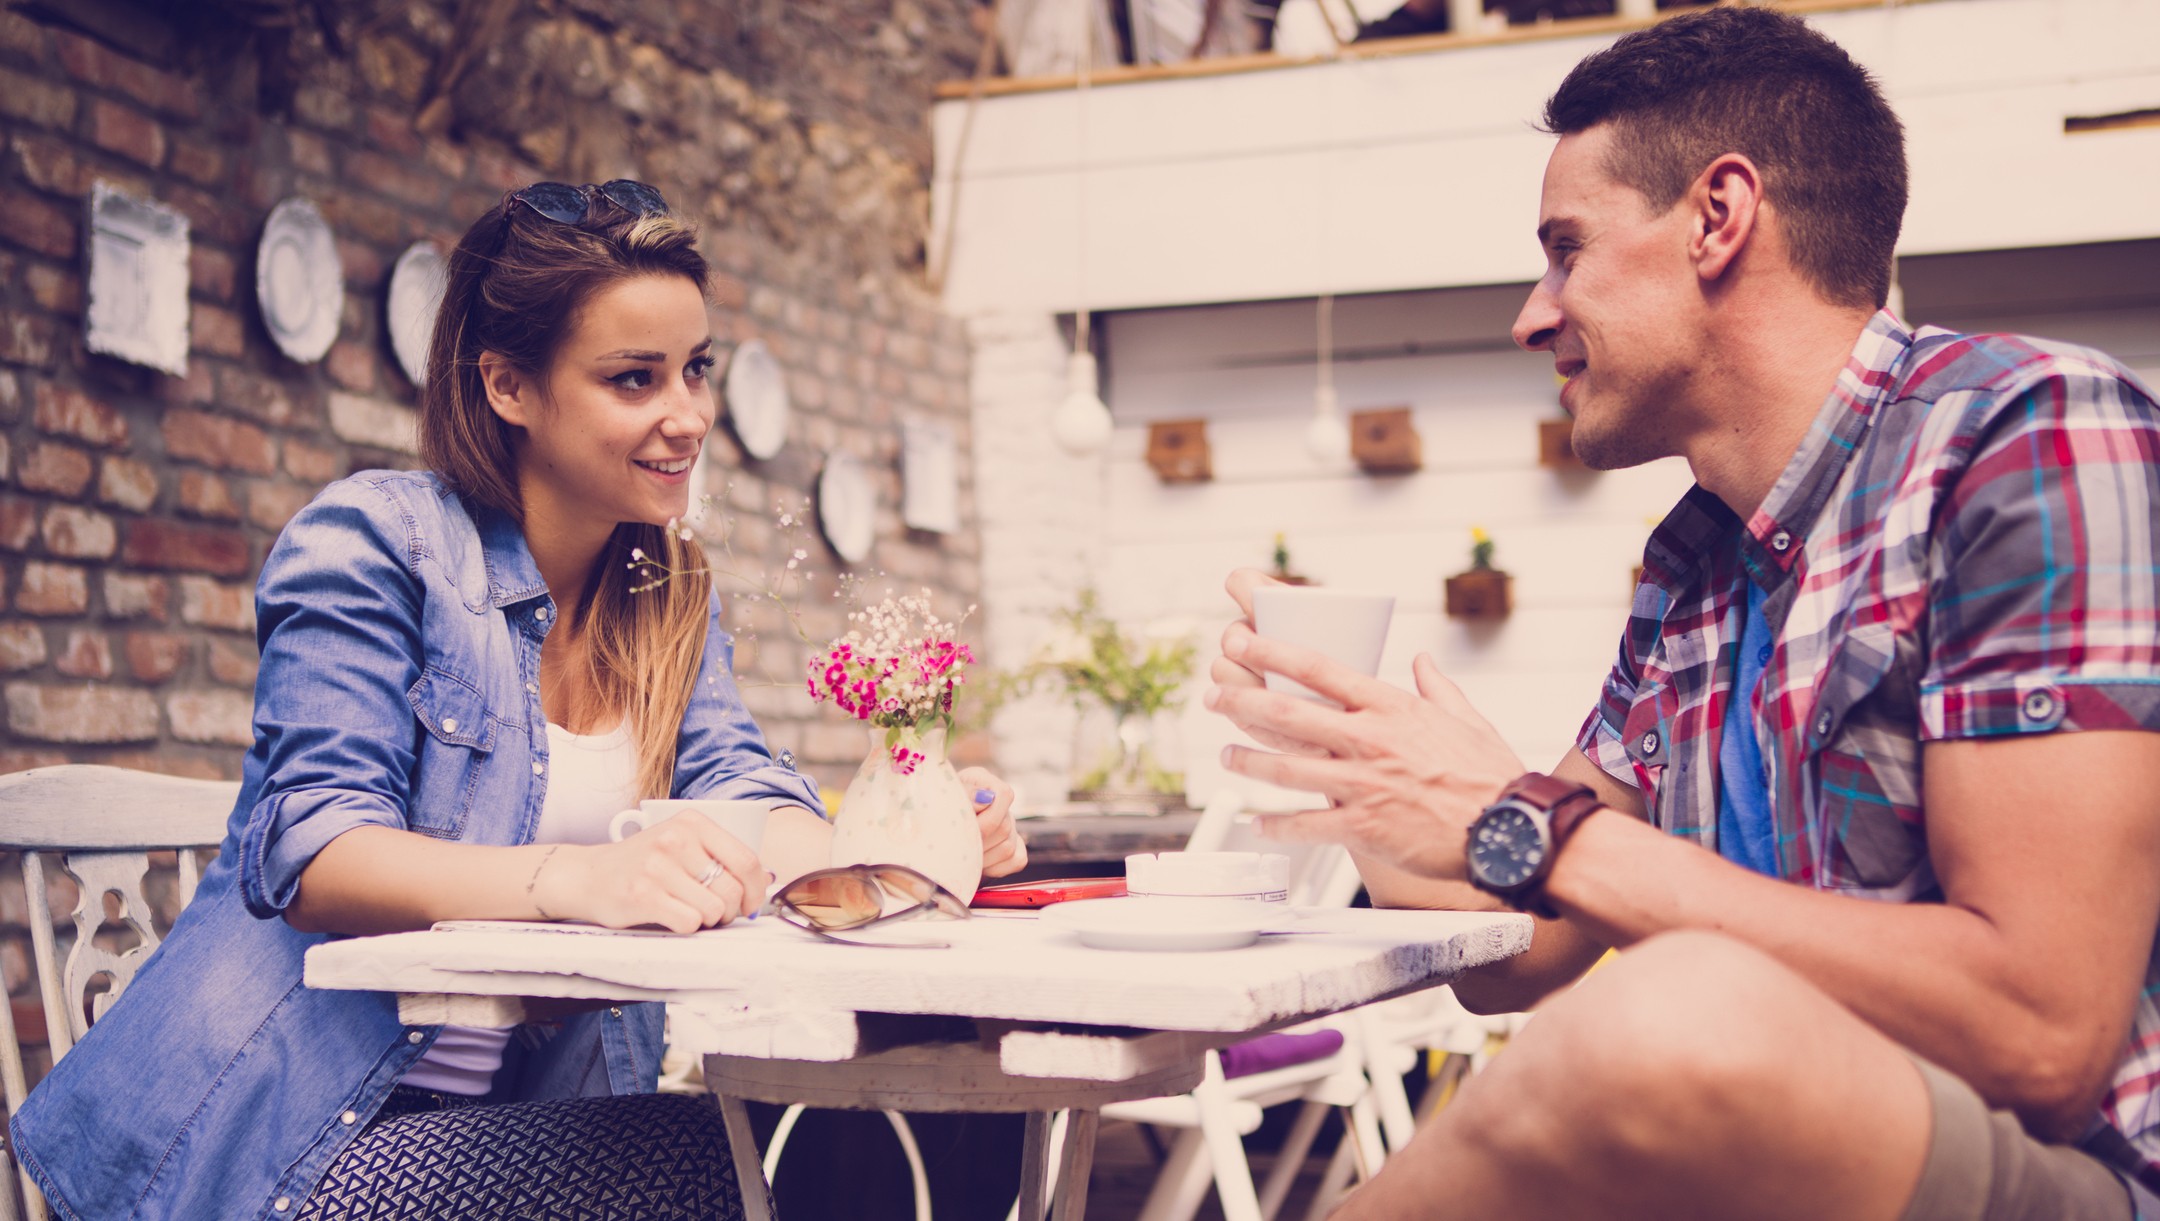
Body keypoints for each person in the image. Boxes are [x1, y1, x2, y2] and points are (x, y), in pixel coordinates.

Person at [1206, 9, 2160, 1219]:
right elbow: (1526, 950)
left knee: (1664, 1013)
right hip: (1792, 1158)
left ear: (1719, 217)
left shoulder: (2025, 435)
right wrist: (1356, 747)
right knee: (1648, 1013)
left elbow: (2042, 1036)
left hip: (2064, 1174)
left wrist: (1529, 822)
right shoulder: (1697, 567)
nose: (1532, 313)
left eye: (1566, 249)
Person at [11, 180, 1028, 1220]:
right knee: (734, 1162)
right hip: (278, 1144)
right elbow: (316, 851)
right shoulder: (373, 546)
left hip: (512, 1119)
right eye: (634, 379)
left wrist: (889, 855)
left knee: (889, 1119)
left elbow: (736, 777)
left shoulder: (664, 590)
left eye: (695, 370)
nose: (688, 416)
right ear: (507, 385)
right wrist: (581, 878)